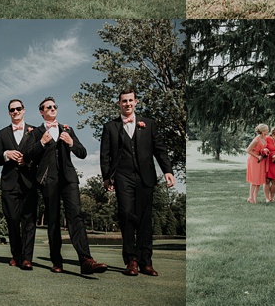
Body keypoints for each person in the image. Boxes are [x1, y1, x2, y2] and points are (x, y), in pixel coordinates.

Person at [100, 89, 175, 277]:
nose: (127, 104)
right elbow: (105, 155)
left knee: (145, 220)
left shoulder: (149, 124)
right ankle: (131, 260)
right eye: (123, 101)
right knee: (126, 214)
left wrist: (167, 170)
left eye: (130, 100)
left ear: (136, 102)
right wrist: (106, 177)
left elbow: (160, 149)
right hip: (123, 176)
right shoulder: (110, 127)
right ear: (119, 103)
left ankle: (145, 262)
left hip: (145, 177)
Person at [34, 97, 108, 274]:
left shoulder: (68, 130)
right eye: (48, 107)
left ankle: (86, 260)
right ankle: (57, 261)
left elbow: (82, 152)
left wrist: (71, 142)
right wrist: (41, 143)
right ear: (41, 112)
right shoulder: (36, 132)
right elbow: (29, 154)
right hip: (48, 181)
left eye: (54, 106)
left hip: (69, 180)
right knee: (53, 221)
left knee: (76, 216)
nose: (52, 108)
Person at [0, 99, 40, 269]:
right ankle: (16, 255)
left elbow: (41, 156)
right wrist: (6, 154)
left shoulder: (35, 132)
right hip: (9, 183)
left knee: (29, 222)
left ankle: (27, 258)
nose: (15, 112)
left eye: (18, 109)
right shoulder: (2, 134)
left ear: (24, 110)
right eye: (12, 110)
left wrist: (28, 162)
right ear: (9, 113)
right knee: (12, 220)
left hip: (29, 182)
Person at [245, 124, 269, 204]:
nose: (267, 131)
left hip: (261, 160)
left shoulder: (264, 138)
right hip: (254, 160)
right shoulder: (256, 139)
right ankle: (250, 197)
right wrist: (257, 156)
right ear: (262, 131)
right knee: (254, 179)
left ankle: (255, 198)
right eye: (266, 130)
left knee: (259, 180)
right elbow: (248, 150)